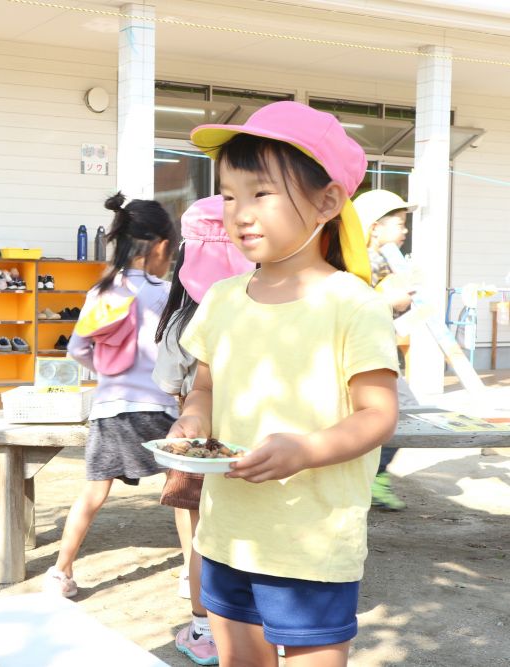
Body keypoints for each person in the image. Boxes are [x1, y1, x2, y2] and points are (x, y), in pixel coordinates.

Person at [169, 101, 400, 665]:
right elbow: (204, 386)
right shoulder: (223, 297)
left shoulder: (353, 304)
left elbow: (377, 414)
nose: (240, 214)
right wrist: (194, 420)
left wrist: (305, 449)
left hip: (310, 543)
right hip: (227, 536)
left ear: (327, 202)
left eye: (261, 193)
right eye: (228, 195)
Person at [43, 192, 178, 597]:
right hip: (159, 408)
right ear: (162, 246)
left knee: (93, 491)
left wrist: (108, 373)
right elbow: (182, 352)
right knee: (186, 492)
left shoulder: (101, 292)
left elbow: (77, 349)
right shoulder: (167, 292)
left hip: (109, 409)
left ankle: (61, 571)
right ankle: (196, 578)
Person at [153, 194, 255, 666]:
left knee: (197, 539)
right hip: (252, 446)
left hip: (195, 450)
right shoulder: (258, 310)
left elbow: (173, 386)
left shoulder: (179, 322)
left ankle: (202, 630)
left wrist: (190, 411)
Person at [355, 188, 420, 511]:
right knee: (403, 410)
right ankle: (373, 476)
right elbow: (351, 308)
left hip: (381, 353)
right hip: (363, 357)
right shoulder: (359, 262)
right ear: (374, 227)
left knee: (398, 412)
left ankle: (372, 475)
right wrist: (389, 302)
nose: (404, 230)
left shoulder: (388, 263)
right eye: (399, 223)